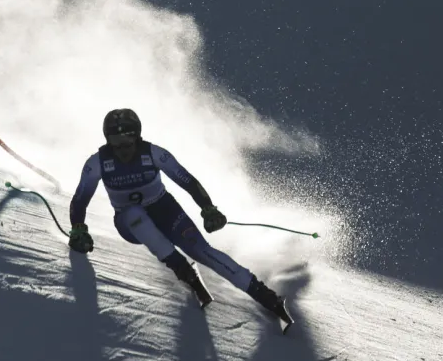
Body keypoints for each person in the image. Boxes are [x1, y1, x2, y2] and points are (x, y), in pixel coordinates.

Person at [68, 108, 291, 324]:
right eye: (115, 144)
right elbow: (80, 199)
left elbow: (187, 180)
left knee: (202, 251)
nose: (122, 150)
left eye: (127, 142)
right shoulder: (96, 163)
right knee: (135, 213)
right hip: (129, 223)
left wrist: (208, 208)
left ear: (138, 137)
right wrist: (78, 228)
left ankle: (265, 295)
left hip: (165, 210)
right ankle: (181, 267)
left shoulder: (154, 154)